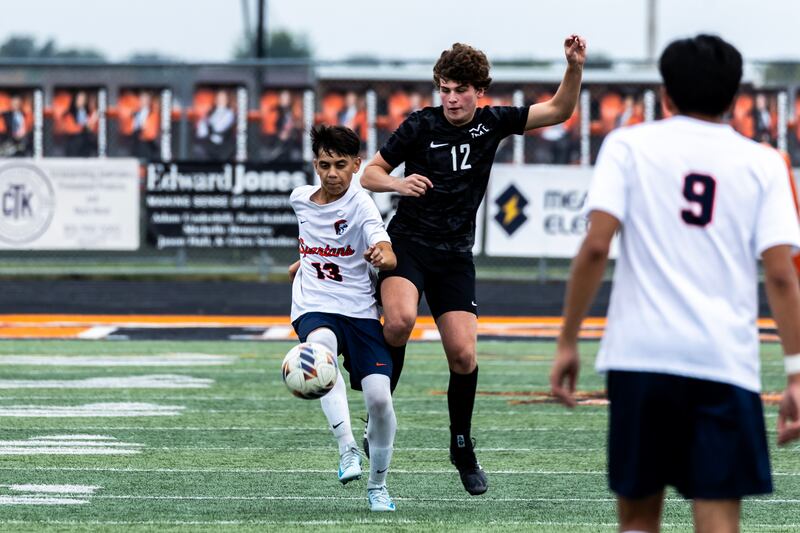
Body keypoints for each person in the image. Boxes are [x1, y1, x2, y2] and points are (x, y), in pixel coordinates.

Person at [550, 34, 800, 532]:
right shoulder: (764, 162)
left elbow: (596, 247)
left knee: (639, 521)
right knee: (718, 520)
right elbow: (780, 274)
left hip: (640, 357)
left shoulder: (628, 145)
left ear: (666, 94)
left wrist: (568, 339)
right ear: (735, 98)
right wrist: (796, 371)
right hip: (723, 361)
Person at [360, 35, 587, 496]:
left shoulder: (491, 124)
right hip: (408, 246)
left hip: (455, 256)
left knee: (463, 355)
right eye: (444, 89)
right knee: (400, 321)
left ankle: (461, 448)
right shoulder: (420, 125)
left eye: (460, 89)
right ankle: (377, 412)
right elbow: (369, 173)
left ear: (478, 90)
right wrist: (398, 186)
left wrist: (574, 68)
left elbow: (559, 111)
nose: (451, 98)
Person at [288, 124, 399, 512]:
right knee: (321, 352)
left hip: (359, 310)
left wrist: (382, 254)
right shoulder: (300, 199)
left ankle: (378, 486)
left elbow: (383, 246)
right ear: (314, 165)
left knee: (380, 400)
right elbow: (316, 241)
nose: (332, 173)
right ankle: (347, 448)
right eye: (323, 165)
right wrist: (303, 263)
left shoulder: (361, 203)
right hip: (314, 304)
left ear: (356, 165)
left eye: (340, 165)